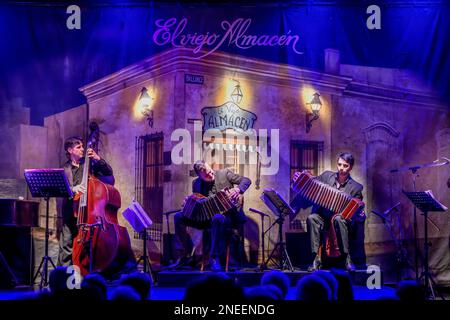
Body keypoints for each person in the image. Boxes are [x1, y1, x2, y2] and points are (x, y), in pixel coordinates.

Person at [173, 160, 251, 271]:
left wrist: (238, 189)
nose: (211, 175)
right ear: (200, 176)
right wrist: (189, 204)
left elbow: (246, 180)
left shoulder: (225, 174)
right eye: (206, 176)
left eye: (210, 171)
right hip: (204, 219)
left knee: (217, 218)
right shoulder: (196, 183)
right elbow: (198, 203)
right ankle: (186, 253)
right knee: (178, 217)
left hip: (226, 216)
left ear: (209, 166)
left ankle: (214, 258)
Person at [293, 152, 365, 272]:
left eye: (345, 166)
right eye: (339, 164)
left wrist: (359, 213)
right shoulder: (326, 176)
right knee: (312, 218)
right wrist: (300, 177)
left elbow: (356, 209)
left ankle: (347, 258)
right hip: (323, 218)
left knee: (338, 219)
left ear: (351, 167)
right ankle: (315, 258)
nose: (341, 168)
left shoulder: (356, 188)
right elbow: (311, 182)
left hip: (341, 220)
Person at [57, 136, 114, 267]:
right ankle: (63, 278)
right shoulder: (64, 169)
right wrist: (72, 189)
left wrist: (97, 158)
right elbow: (60, 190)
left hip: (89, 213)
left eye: (83, 146)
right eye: (78, 147)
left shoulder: (89, 164)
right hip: (71, 214)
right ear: (70, 150)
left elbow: (108, 173)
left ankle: (86, 275)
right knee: (66, 247)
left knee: (89, 247)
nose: (82, 149)